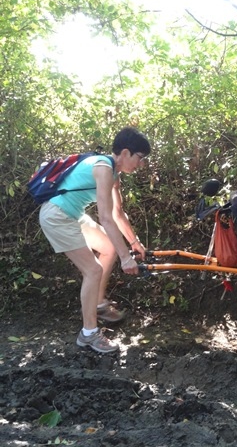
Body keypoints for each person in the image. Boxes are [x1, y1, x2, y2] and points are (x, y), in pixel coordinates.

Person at [38, 127, 150, 353]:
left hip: (72, 215)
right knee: (93, 271)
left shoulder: (113, 173)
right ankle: (88, 334)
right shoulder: (103, 167)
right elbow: (106, 218)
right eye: (140, 158)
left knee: (107, 247)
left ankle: (98, 304)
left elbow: (117, 213)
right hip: (57, 217)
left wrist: (134, 243)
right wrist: (126, 258)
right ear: (126, 153)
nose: (141, 165)